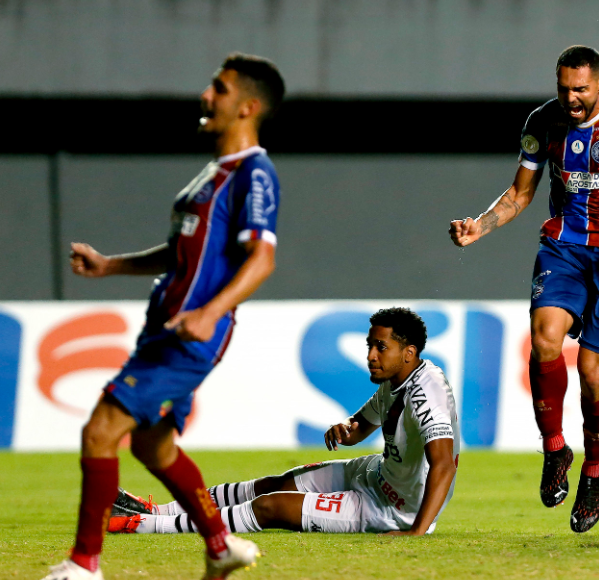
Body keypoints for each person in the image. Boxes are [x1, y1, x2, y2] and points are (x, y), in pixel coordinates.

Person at [42, 53, 285, 580]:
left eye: (218, 89)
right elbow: (181, 253)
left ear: (247, 107)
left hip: (190, 337)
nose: (205, 95)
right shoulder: (210, 176)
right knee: (154, 446)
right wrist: (111, 266)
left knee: (100, 431)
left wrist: (209, 313)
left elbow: (261, 259)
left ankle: (84, 565)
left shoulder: (254, 174)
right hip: (167, 329)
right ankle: (220, 545)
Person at [449, 45, 599, 533]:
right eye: (564, 88)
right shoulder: (542, 122)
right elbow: (520, 192)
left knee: (594, 373)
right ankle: (554, 449)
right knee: (544, 339)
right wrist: (481, 226)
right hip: (565, 248)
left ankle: (595, 470)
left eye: (581, 90)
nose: (571, 98)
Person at [107, 307, 460, 537]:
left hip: (392, 508)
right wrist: (346, 429)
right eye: (369, 345)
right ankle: (154, 508)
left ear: (409, 353)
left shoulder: (427, 393)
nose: (369, 355)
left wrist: (417, 530)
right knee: (272, 484)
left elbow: (444, 464)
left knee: (270, 506)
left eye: (379, 347)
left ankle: (140, 524)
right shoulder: (395, 380)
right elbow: (361, 427)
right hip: (375, 474)